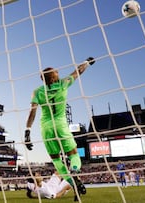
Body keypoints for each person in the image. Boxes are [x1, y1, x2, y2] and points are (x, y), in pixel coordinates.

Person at [24, 57, 95, 199]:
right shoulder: (63, 84)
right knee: (73, 154)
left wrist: (27, 131)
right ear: (54, 78)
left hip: (46, 128)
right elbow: (78, 71)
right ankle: (74, 171)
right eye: (57, 73)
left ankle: (73, 182)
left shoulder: (37, 92)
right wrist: (87, 62)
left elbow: (33, 111)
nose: (59, 74)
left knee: (56, 160)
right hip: (61, 125)